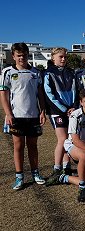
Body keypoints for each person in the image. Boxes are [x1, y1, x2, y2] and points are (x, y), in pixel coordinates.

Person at [0, 42, 46, 190]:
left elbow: (40, 94)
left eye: (24, 55)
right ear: (13, 56)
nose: (22, 58)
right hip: (16, 116)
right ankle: (19, 176)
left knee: (33, 146)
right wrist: (8, 113)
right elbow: (3, 94)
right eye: (19, 55)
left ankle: (35, 173)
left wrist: (42, 111)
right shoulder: (7, 72)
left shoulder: (35, 72)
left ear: (28, 55)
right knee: (18, 146)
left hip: (33, 115)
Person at [54, 89, 85, 202]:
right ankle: (82, 189)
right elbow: (76, 140)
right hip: (73, 146)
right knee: (84, 155)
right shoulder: (75, 115)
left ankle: (64, 178)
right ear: (81, 102)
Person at [44, 47, 78, 185]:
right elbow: (49, 95)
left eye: (65, 57)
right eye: (60, 57)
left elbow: (77, 90)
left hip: (71, 110)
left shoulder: (71, 73)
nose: (63, 59)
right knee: (62, 139)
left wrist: (74, 107)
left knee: (69, 139)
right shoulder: (48, 73)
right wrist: (65, 109)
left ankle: (66, 167)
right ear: (53, 58)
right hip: (57, 111)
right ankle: (56, 169)